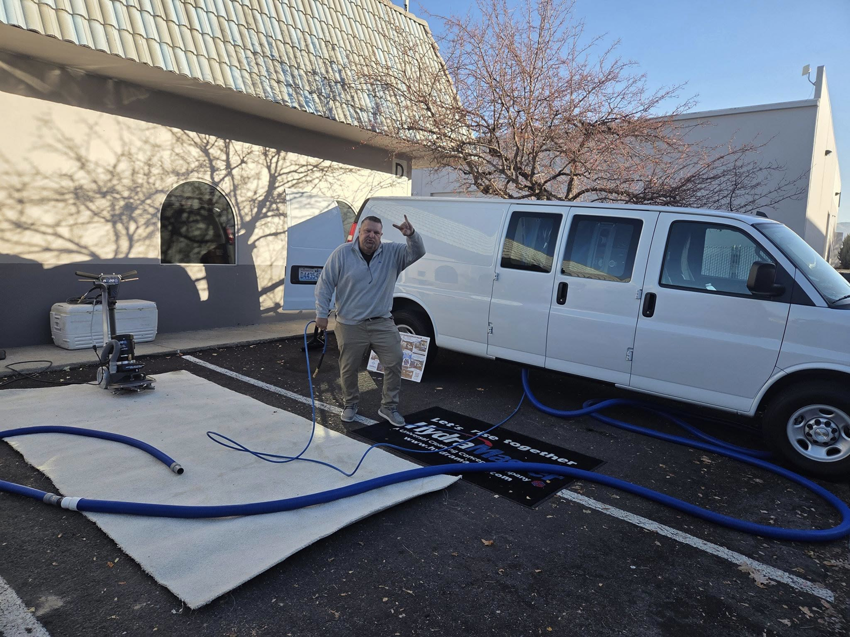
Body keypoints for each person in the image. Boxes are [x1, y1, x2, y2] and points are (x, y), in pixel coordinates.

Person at [315, 214, 425, 425]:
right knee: (349, 368)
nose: (371, 236)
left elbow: (417, 252)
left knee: (394, 361)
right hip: (350, 323)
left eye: (376, 232)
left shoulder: (393, 253)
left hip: (382, 322)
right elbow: (325, 283)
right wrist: (321, 313)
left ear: (381, 235)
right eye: (367, 231)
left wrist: (411, 235)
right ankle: (350, 403)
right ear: (359, 232)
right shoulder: (342, 254)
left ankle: (389, 407)